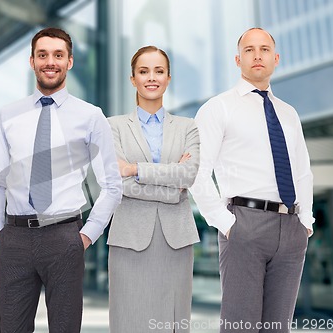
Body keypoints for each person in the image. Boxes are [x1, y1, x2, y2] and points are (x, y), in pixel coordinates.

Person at [0, 27, 122, 333]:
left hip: (65, 238)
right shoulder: (7, 114)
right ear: (31, 61)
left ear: (69, 61)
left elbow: (112, 184)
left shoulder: (90, 116)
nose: (51, 62)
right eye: (43, 55)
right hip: (15, 238)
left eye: (58, 55)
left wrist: (85, 236)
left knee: (65, 328)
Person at [191, 28, 314, 332]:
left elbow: (302, 171)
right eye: (249, 50)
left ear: (276, 58)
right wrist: (226, 223)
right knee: (240, 326)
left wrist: (306, 221)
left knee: (278, 328)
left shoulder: (289, 113)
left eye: (264, 49)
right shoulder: (218, 108)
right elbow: (196, 170)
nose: (257, 55)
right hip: (245, 223)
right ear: (238, 59)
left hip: (291, 228)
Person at [107, 46, 200, 333]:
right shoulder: (113, 127)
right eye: (143, 71)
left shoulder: (188, 127)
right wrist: (173, 189)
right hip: (129, 239)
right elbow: (117, 183)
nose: (151, 77)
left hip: (176, 241)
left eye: (159, 71)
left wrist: (136, 169)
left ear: (168, 78)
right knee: (128, 322)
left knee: (172, 324)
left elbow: (189, 175)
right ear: (132, 79)